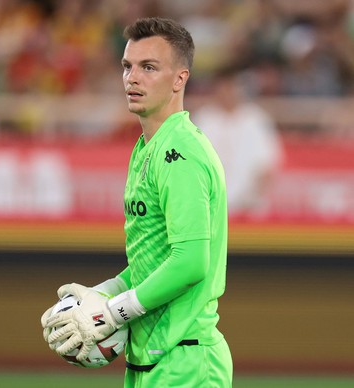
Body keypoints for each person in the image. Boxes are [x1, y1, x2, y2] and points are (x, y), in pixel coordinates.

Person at [41, 17, 233, 387]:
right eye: (127, 66)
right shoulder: (148, 147)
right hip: (153, 362)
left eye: (149, 67)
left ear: (180, 79)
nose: (133, 78)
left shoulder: (180, 152)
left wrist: (113, 313)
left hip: (187, 362)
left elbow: (191, 262)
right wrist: (107, 290)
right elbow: (153, 260)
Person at [193, 65, 283, 215]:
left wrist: (252, 200)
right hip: (210, 208)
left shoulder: (256, 120)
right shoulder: (203, 119)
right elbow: (193, 165)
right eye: (223, 87)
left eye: (231, 87)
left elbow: (267, 166)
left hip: (248, 209)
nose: (227, 92)